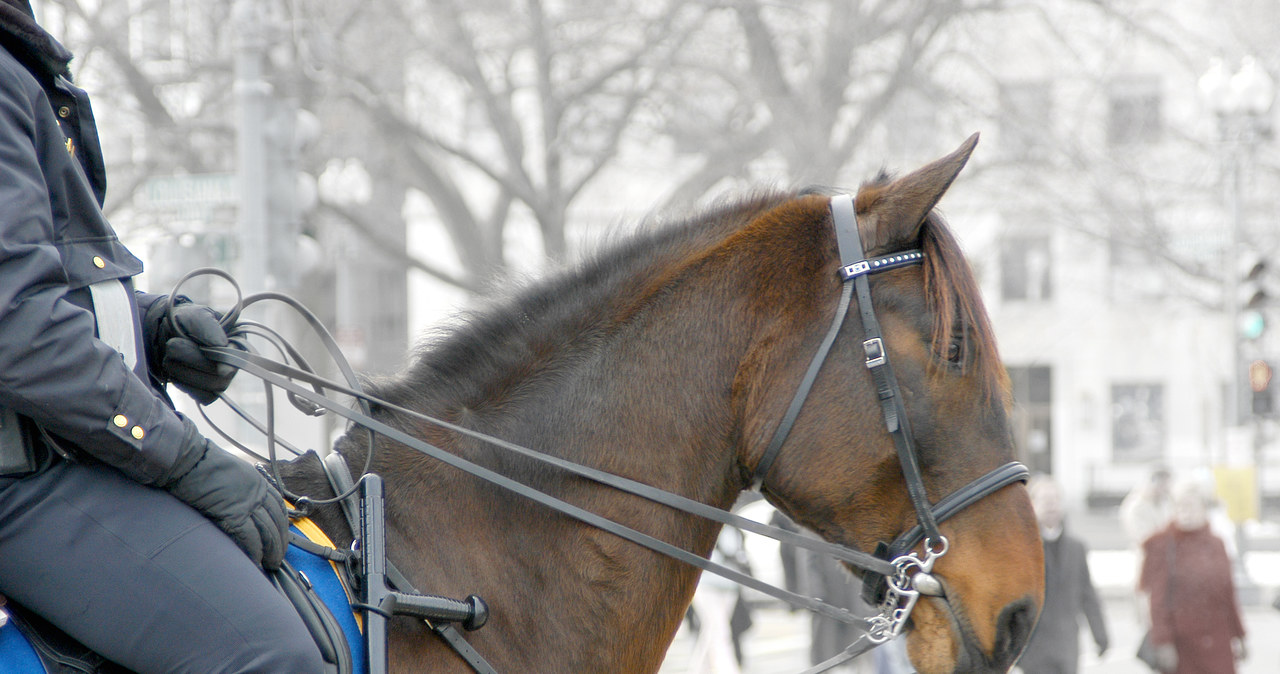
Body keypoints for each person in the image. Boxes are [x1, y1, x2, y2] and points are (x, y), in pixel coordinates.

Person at [0, 2, 322, 672]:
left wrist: (151, 328)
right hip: (23, 477)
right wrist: (185, 461)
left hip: (53, 448)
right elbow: (19, 326)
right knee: (270, 658)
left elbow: (40, 284)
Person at [1138, 479, 1246, 674]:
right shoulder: (1162, 545)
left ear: (1204, 509)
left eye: (1192, 506)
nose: (1186, 512)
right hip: (1181, 643)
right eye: (1180, 506)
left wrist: (1240, 634)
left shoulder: (1216, 544)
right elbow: (1157, 600)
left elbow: (1228, 594)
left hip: (1218, 640)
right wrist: (1163, 641)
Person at [1015, 475, 1108, 674]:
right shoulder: (1022, 548)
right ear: (1032, 504)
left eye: (1056, 500)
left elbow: (1087, 594)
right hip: (1033, 652)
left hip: (1066, 648)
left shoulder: (1076, 548)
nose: (1052, 506)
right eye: (1045, 500)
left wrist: (1100, 634)